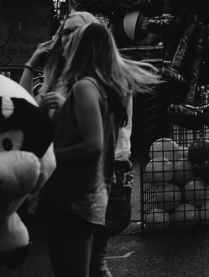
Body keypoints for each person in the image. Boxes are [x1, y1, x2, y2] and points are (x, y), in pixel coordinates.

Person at [36, 20, 157, 277]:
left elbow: (93, 145)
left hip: (79, 193)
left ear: (82, 47)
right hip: (90, 190)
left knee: (84, 267)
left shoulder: (86, 86)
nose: (66, 44)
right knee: (92, 265)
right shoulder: (106, 85)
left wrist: (45, 159)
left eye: (72, 38)